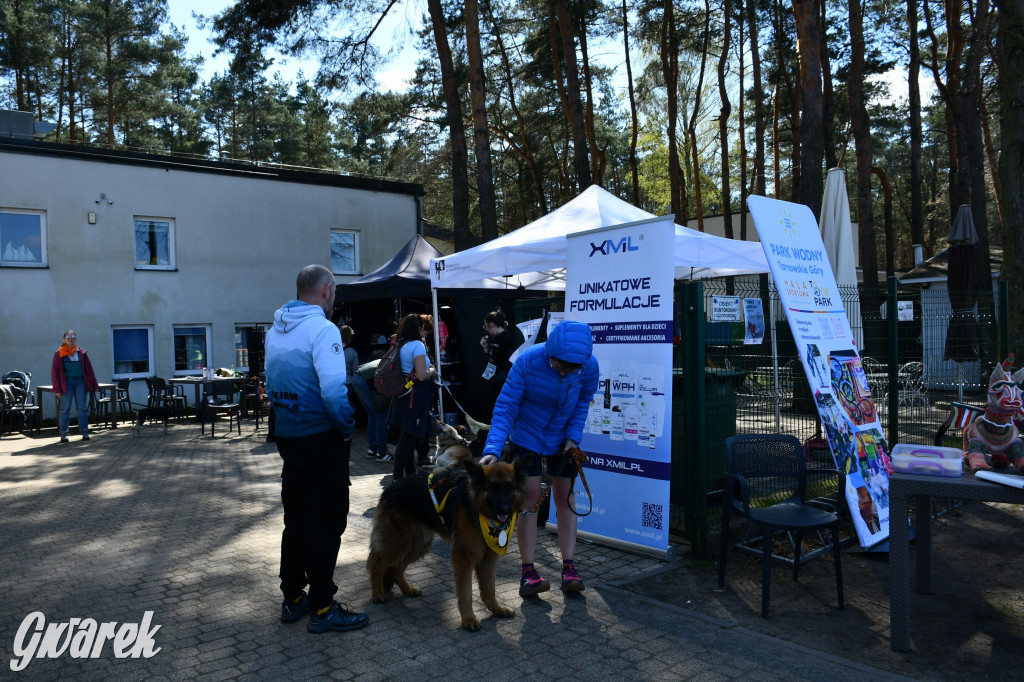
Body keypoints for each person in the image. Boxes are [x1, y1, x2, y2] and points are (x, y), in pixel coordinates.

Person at [265, 264, 368, 634]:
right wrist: (346, 429)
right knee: (326, 521)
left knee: (296, 519)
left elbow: (273, 387)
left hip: (289, 439)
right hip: (322, 439)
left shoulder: (274, 331)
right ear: (326, 290)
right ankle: (324, 605)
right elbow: (333, 392)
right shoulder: (324, 330)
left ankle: (293, 597)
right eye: (335, 291)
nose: (335, 297)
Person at [479, 320, 599, 596]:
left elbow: (583, 402)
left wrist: (572, 437)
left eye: (572, 369)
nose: (566, 372)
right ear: (550, 355)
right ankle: (528, 572)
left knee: (566, 496)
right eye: (561, 366)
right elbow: (506, 406)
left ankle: (569, 567)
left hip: (561, 439)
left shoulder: (588, 366)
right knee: (530, 497)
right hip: (527, 436)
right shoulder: (528, 361)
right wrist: (492, 449)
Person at [388, 313, 436, 480]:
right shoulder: (417, 345)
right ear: (418, 328)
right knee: (408, 438)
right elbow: (422, 375)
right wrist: (432, 370)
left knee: (407, 435)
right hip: (414, 397)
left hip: (401, 395)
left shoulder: (400, 344)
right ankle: (397, 478)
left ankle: (410, 475)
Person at [50, 329, 100, 443]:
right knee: (64, 409)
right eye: (68, 338)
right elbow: (55, 372)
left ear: (75, 339)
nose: (70, 340)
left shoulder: (81, 352)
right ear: (64, 339)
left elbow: (89, 370)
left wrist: (94, 384)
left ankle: (85, 432)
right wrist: (56, 388)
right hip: (66, 383)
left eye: (72, 338)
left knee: (82, 408)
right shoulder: (59, 353)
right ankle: (64, 434)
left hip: (80, 383)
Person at [351, 358, 392, 462]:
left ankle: (372, 450)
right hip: (363, 380)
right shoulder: (397, 362)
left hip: (358, 377)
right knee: (381, 414)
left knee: (373, 415)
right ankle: (381, 453)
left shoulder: (390, 358)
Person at [480, 307, 516, 422]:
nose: (486, 329)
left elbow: (512, 362)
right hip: (495, 380)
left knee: (502, 411)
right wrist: (486, 349)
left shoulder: (506, 339)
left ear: (491, 324)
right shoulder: (495, 339)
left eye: (485, 326)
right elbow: (492, 360)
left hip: (503, 381)